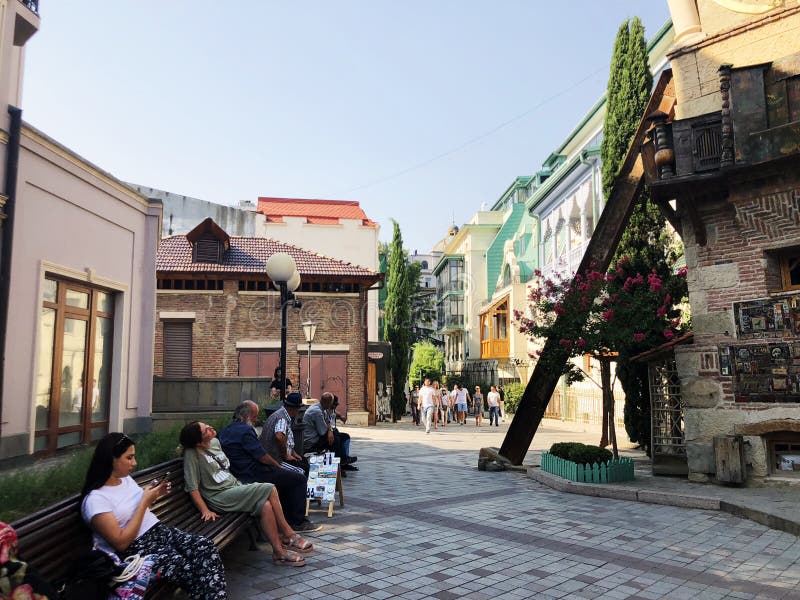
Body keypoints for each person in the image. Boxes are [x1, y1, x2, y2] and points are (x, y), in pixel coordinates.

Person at [80, 432, 228, 598]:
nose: (134, 463)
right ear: (111, 459)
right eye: (129, 458)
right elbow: (121, 543)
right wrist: (144, 502)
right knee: (183, 565)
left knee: (204, 546)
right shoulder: (96, 500)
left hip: (160, 531)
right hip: (137, 549)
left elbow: (133, 508)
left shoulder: (125, 479)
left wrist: (153, 495)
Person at [180, 422, 311, 566]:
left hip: (234, 487)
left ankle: (278, 553)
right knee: (270, 488)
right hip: (219, 496)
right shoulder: (192, 454)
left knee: (265, 506)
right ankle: (289, 534)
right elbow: (192, 487)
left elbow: (224, 469)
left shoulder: (215, 442)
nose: (210, 427)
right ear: (199, 442)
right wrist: (205, 510)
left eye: (207, 425)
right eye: (206, 430)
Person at [218, 400, 319, 533]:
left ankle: (286, 517)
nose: (256, 420)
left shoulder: (226, 429)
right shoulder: (246, 430)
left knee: (285, 479)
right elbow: (262, 456)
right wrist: (277, 466)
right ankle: (297, 521)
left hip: (239, 471)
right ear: (246, 417)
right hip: (251, 472)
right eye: (254, 417)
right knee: (298, 478)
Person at [302, 393, 356, 472]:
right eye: (331, 403)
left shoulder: (322, 408)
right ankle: (340, 464)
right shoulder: (316, 411)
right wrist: (330, 431)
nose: (332, 406)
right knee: (335, 439)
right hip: (312, 440)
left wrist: (330, 430)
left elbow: (328, 422)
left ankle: (343, 462)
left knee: (343, 436)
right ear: (328, 403)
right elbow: (323, 431)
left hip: (318, 435)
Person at [259, 392, 309, 476]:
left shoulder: (281, 414)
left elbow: (286, 438)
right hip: (276, 459)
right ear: (294, 408)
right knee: (301, 472)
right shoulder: (282, 418)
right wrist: (286, 455)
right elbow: (279, 436)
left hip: (277, 456)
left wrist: (293, 452)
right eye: (298, 408)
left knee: (304, 462)